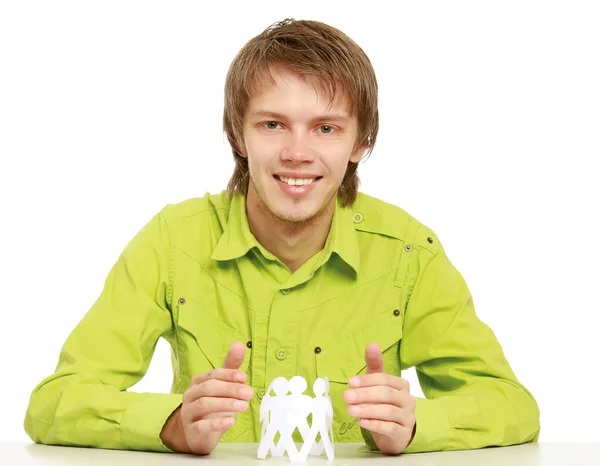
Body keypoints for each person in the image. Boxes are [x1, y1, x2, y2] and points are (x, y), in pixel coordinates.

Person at [23, 18, 540, 456]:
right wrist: (170, 424)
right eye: (272, 124)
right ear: (237, 133)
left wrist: (415, 426)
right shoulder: (171, 242)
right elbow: (54, 403)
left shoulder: (408, 252)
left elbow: (514, 407)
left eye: (326, 128)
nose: (297, 152)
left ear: (361, 141)